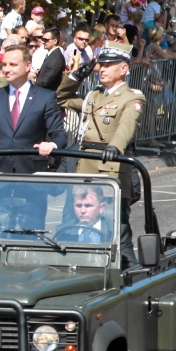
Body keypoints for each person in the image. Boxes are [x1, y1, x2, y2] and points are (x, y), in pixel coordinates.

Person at [56, 41, 143, 266]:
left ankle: (130, 275)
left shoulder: (132, 97)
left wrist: (115, 146)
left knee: (116, 231)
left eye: (110, 64)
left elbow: (127, 125)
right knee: (71, 227)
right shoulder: (93, 95)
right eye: (101, 64)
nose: (102, 69)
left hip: (111, 169)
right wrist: (75, 77)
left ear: (124, 68)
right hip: (83, 169)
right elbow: (61, 98)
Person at [0, 44, 66, 173]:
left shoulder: (45, 97)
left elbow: (59, 134)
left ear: (27, 66)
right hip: (0, 175)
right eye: (4, 65)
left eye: (13, 65)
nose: (6, 69)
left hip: (32, 174)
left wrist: (51, 145)